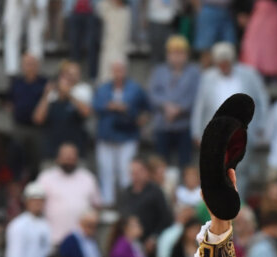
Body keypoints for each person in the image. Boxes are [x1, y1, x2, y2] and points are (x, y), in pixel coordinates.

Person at [92, 60, 150, 207]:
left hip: (127, 134)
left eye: (121, 70)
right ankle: (108, 202)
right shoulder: (104, 88)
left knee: (127, 172)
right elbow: (95, 106)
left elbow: (148, 107)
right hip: (107, 135)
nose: (118, 73)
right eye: (115, 70)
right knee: (107, 171)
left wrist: (142, 118)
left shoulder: (135, 88)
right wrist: (110, 106)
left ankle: (127, 202)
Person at [147, 35, 201, 169]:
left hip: (184, 124)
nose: (176, 57)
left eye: (180, 53)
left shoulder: (194, 72)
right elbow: (152, 93)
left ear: (187, 54)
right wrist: (166, 106)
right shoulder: (159, 71)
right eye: (173, 53)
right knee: (160, 163)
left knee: (185, 163)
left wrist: (179, 109)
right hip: (163, 123)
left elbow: (196, 95)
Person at [35, 142, 102, 244]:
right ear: (58, 158)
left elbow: (97, 206)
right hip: (54, 239)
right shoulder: (46, 178)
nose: (69, 160)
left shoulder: (88, 178)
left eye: (72, 157)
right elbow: (35, 206)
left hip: (82, 241)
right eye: (66, 157)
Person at [5, 181, 51, 257]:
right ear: (26, 202)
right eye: (34, 200)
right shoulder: (18, 225)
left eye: (40, 200)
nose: (37, 203)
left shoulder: (46, 225)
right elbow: (14, 255)